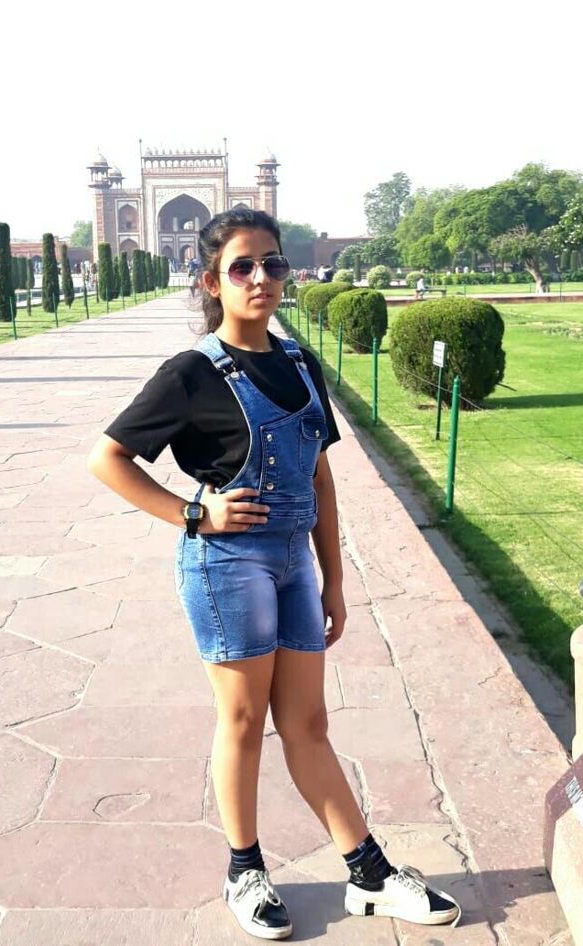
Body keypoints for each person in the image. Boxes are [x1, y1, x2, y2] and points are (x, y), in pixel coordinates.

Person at [87, 208, 460, 939]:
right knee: (243, 721)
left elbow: (318, 475)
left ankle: (368, 874)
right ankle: (245, 870)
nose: (261, 277)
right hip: (228, 566)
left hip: (293, 564)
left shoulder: (298, 362)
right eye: (242, 267)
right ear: (212, 282)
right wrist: (194, 513)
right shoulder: (193, 372)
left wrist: (334, 579)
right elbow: (107, 459)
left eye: (273, 263)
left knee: (308, 723)